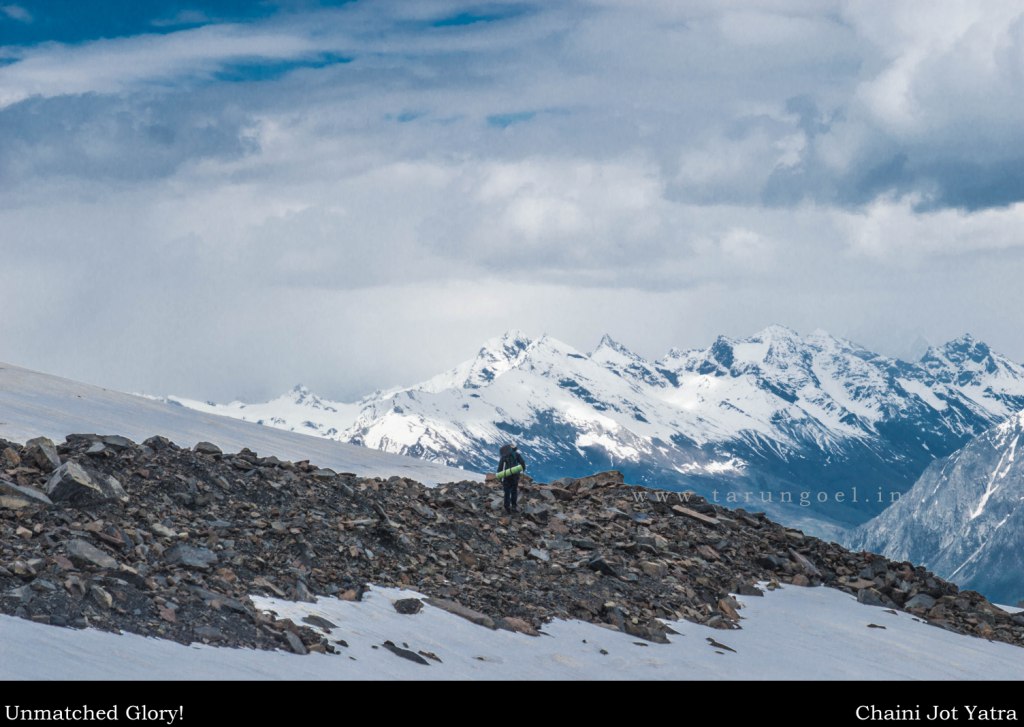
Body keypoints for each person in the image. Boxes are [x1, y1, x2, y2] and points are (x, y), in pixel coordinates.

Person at [497, 443, 526, 514]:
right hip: (515, 475)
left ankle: (507, 507)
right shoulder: (517, 455)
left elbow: (500, 467)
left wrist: (500, 478)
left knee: (507, 491)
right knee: (514, 491)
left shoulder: (504, 456)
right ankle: (514, 506)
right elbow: (522, 463)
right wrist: (523, 469)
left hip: (507, 475)